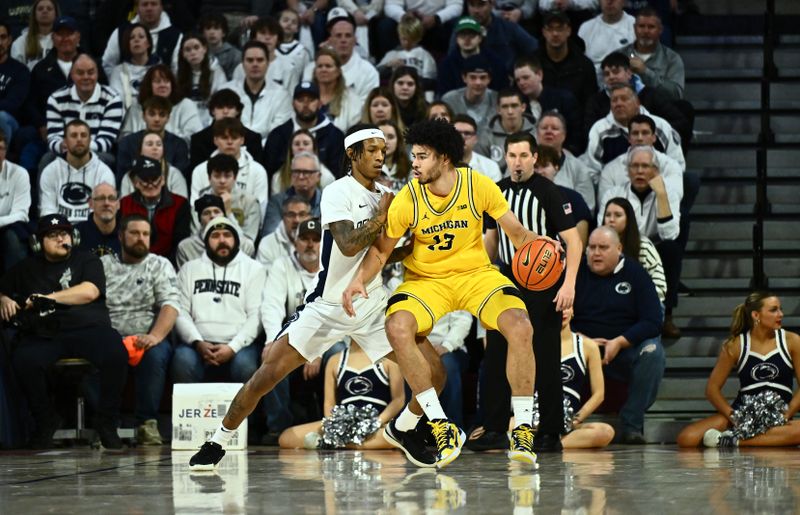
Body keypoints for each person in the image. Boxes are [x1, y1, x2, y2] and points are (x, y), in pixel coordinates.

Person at [188, 124, 419, 471]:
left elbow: (382, 254)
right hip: (327, 305)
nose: (379, 156)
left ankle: (413, 430)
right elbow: (349, 243)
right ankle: (218, 440)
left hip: (369, 302)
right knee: (265, 376)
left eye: (382, 150)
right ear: (352, 155)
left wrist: (412, 246)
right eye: (371, 150)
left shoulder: (388, 196)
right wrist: (382, 216)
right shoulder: (337, 192)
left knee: (426, 369)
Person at [343, 120, 548, 467]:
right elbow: (381, 250)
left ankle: (523, 428)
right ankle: (439, 424)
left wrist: (543, 248)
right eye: (413, 156)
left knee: (520, 326)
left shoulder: (477, 185)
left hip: (476, 276)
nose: (415, 164)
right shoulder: (408, 196)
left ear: (444, 158)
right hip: (427, 281)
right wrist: (358, 280)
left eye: (422, 157)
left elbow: (516, 233)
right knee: (397, 327)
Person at [476, 133, 581, 454]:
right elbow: (490, 242)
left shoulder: (549, 192)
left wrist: (569, 285)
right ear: (505, 157)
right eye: (512, 155)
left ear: (535, 158)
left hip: (544, 282)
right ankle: (494, 428)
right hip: (506, 279)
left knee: (545, 357)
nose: (517, 162)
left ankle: (549, 432)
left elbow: (574, 242)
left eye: (524, 155)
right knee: (494, 355)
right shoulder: (496, 192)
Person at [0, 214, 128, 449]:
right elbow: (3, 287)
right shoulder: (26, 268)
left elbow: (89, 291)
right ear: (38, 243)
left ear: (73, 237)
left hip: (88, 329)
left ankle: (106, 420)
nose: (61, 239)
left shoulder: (87, 260)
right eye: (53, 235)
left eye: (65, 234)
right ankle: (45, 419)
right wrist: (4, 299)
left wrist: (47, 298)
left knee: (116, 353)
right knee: (23, 359)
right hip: (46, 334)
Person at [172, 216, 267, 435]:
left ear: (236, 239)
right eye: (215, 236)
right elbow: (180, 312)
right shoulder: (189, 269)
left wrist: (232, 347)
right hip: (197, 344)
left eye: (227, 235)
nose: (222, 241)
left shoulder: (254, 269)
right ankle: (191, 430)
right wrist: (197, 342)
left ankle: (245, 431)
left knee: (246, 367)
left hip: (239, 345)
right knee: (182, 361)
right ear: (206, 241)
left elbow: (256, 316)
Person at [571, 226, 664, 444]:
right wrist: (580, 340)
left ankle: (631, 425)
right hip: (581, 348)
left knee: (653, 352)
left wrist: (621, 342)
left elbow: (653, 321)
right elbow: (557, 316)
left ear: (619, 248)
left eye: (603, 248)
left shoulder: (636, 274)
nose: (596, 253)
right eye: (591, 247)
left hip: (623, 349)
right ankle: (564, 421)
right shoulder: (575, 273)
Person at [676, 293, 800, 448]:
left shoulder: (792, 341)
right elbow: (712, 389)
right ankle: (766, 438)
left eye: (780, 309)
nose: (780, 314)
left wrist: (787, 413)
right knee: (687, 438)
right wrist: (734, 416)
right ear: (756, 315)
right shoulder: (735, 345)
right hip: (743, 412)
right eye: (774, 310)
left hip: (777, 414)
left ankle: (733, 441)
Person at [101, 214, 179, 445]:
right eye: (134, 233)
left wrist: (154, 336)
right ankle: (105, 423)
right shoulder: (103, 265)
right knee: (98, 353)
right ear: (121, 235)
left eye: (145, 234)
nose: (140, 239)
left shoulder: (159, 264)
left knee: (155, 355)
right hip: (109, 335)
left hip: (146, 335)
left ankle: (147, 423)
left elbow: (171, 305)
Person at [597, 145, 683, 338]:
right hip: (619, 245)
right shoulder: (613, 194)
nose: (640, 171)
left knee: (671, 249)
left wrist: (661, 195)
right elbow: (603, 231)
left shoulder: (668, 192)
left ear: (656, 170)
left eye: (645, 166)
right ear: (627, 171)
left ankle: (666, 315)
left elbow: (669, 234)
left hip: (651, 247)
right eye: (634, 166)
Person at [278, 340, 405, 450]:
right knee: (286, 437)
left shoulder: (389, 359)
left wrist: (376, 422)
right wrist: (334, 426)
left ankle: (330, 443)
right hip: (342, 425)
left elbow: (399, 400)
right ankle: (349, 442)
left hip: (376, 425)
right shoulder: (335, 360)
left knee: (395, 437)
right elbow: (329, 403)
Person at [583, 83, 684, 179]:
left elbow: (677, 164)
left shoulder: (660, 126)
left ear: (637, 103)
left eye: (624, 99)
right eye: (614, 100)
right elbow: (592, 171)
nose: (618, 103)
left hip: (658, 184)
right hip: (614, 188)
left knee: (689, 180)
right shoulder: (599, 129)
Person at [550, 307, 616, 449]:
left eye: (566, 307)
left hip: (568, 422)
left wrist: (574, 420)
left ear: (573, 309)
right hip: (535, 420)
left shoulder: (588, 346)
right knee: (493, 428)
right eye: (557, 308)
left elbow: (599, 394)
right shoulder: (532, 342)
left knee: (605, 431)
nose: (563, 312)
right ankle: (537, 440)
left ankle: (552, 445)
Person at [45, 53, 122, 169]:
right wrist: (64, 146)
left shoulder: (112, 99)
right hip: (65, 152)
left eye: (91, 72)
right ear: (72, 75)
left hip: (97, 152)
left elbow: (106, 142)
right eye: (80, 73)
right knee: (47, 159)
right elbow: (53, 137)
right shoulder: (55, 99)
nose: (86, 77)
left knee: (108, 159)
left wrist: (78, 147)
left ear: (97, 74)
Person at [189, 117, 269, 219]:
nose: (230, 142)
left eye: (234, 137)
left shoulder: (258, 171)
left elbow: (260, 211)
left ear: (242, 140)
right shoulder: (200, 171)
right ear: (215, 140)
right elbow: (195, 210)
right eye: (224, 137)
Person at [39, 120, 116, 223]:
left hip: (92, 230)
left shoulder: (104, 172)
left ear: (90, 140)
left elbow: (104, 211)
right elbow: (47, 211)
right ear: (65, 141)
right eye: (74, 135)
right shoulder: (51, 171)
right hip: (60, 231)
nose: (79, 139)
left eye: (83, 135)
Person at [264, 81, 344, 179]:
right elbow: (269, 172)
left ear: (319, 103)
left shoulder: (335, 136)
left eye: (311, 100)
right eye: (301, 100)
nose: (306, 104)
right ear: (293, 104)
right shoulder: (278, 135)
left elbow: (339, 174)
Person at [119, 156, 190, 260]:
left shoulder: (180, 204)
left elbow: (180, 243)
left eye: (155, 179)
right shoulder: (124, 204)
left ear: (162, 180)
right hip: (132, 261)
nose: (150, 185)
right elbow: (121, 239)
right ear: (136, 183)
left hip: (168, 263)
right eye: (145, 180)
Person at [221, 40, 293, 140]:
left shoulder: (282, 95)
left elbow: (278, 131)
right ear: (242, 64)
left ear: (268, 63)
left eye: (260, 60)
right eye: (250, 60)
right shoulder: (226, 91)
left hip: (268, 151)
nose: (255, 64)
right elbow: (220, 125)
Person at [602, 197, 667, 305]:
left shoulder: (643, 246)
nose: (611, 219)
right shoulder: (595, 246)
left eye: (618, 215)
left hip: (639, 304)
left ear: (628, 219)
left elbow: (660, 286)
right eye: (608, 215)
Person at [511, 56, 583, 154]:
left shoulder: (563, 99)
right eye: (518, 80)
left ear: (539, 75)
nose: (521, 83)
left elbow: (577, 135)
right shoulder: (519, 106)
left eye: (526, 77)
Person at [535, 10, 597, 118]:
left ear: (568, 31)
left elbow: (590, 104)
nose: (555, 33)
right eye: (550, 29)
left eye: (560, 28)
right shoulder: (533, 63)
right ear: (544, 32)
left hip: (576, 123)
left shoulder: (584, 65)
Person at [120, 64, 202, 144]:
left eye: (166, 81)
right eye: (157, 81)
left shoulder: (185, 105)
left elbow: (195, 136)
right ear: (149, 85)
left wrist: (161, 143)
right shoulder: (137, 106)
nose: (163, 85)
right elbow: (125, 137)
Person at [116, 95, 191, 183]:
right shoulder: (127, 143)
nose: (157, 119)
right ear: (144, 116)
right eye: (152, 114)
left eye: (162, 115)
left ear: (168, 118)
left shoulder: (179, 144)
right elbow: (122, 178)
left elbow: (180, 178)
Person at [616, 7, 685, 100]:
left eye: (651, 27)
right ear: (634, 28)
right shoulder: (619, 55)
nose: (646, 31)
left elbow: (676, 94)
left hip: (660, 111)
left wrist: (645, 72)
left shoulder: (672, 58)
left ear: (660, 30)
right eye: (641, 26)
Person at [101, 0, 182, 79]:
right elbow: (108, 64)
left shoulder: (175, 36)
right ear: (137, 8)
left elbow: (177, 70)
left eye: (154, 4)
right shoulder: (120, 32)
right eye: (145, 4)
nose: (149, 8)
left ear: (161, 7)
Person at [532, 145, 592, 247]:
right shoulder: (517, 197)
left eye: (545, 165)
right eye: (536, 167)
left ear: (556, 168)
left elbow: (579, 245)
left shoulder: (573, 199)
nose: (540, 172)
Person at [189, 88, 263, 171]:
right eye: (220, 107)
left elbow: (257, 170)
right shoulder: (198, 139)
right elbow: (195, 172)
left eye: (230, 107)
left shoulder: (253, 139)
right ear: (213, 110)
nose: (225, 111)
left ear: (237, 111)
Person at [192, 153, 261, 243]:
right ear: (209, 178)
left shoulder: (250, 202)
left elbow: (248, 244)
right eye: (217, 176)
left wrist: (228, 212)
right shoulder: (200, 202)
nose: (222, 181)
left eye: (227, 176)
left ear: (235, 177)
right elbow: (195, 239)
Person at [535, 112, 596, 213]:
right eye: (544, 128)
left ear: (564, 135)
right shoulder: (521, 163)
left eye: (554, 128)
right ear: (536, 133)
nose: (549, 131)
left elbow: (587, 208)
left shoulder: (579, 168)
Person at [458, 0, 538, 73]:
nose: (476, 10)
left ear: (492, 4)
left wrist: (519, 72)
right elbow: (453, 61)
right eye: (472, 5)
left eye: (481, 5)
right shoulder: (460, 31)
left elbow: (535, 49)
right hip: (472, 82)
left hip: (504, 83)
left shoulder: (509, 28)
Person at [437, 15, 508, 98]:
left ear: (480, 38)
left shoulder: (496, 63)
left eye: (471, 35)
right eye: (463, 35)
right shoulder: (446, 65)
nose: (467, 39)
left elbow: (503, 94)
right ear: (456, 39)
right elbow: (445, 96)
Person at [177, 195, 255, 268]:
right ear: (200, 220)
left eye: (216, 211)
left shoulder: (245, 245)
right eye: (206, 213)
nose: (212, 216)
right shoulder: (186, 247)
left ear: (224, 216)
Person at [262, 151, 322, 235]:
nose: (301, 177)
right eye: (296, 172)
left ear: (318, 176)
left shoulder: (328, 202)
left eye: (306, 172)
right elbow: (270, 234)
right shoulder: (277, 202)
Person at [476, 90, 537, 172]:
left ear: (523, 107)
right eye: (505, 106)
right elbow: (479, 165)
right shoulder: (486, 135)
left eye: (514, 106)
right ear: (498, 109)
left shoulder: (536, 132)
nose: (510, 111)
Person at [176, 32, 226, 127]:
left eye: (196, 47)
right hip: (185, 121)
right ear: (183, 54)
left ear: (204, 49)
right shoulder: (178, 75)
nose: (193, 53)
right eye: (188, 50)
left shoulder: (216, 72)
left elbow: (220, 101)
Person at [377, 14, 437, 93]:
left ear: (418, 38)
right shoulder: (392, 54)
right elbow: (376, 74)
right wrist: (388, 66)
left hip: (418, 93)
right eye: (404, 39)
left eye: (411, 39)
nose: (407, 42)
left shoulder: (425, 55)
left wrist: (408, 74)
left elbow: (430, 82)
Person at [108, 23, 160, 112]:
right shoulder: (118, 72)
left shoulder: (160, 70)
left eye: (141, 37)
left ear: (148, 43)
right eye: (132, 38)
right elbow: (116, 100)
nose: (136, 40)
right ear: (127, 44)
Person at [120, 130, 188, 198]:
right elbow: (124, 205)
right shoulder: (129, 176)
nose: (155, 148)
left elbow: (182, 204)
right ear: (140, 150)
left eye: (159, 144)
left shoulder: (174, 174)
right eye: (150, 144)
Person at [577, 0, 635, 79]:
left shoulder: (635, 25)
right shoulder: (586, 28)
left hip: (627, 82)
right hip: (594, 83)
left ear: (624, 1)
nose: (610, 1)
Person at [271, 128, 336, 193]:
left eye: (306, 143)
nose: (301, 147)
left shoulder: (326, 176)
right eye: (297, 144)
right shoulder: (278, 177)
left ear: (314, 149)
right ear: (291, 150)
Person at [441, 55, 498, 129]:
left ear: (489, 79)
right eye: (473, 77)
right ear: (464, 78)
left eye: (483, 77)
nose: (478, 82)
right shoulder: (450, 100)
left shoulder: (497, 100)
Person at [312, 47, 361, 133]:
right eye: (320, 66)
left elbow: (354, 130)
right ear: (315, 72)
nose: (324, 69)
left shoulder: (352, 99)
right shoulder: (306, 97)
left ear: (338, 71)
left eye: (328, 66)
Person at [0, 132, 30, 271]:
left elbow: (21, 215)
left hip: (7, 229)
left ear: (6, 151)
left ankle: (14, 290)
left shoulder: (19, 173)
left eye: (0, 148)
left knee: (14, 237)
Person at [256, 196, 311, 268]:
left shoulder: (319, 242)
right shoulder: (268, 243)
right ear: (283, 218)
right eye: (291, 215)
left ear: (310, 217)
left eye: (302, 214)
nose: (297, 220)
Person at [0, 21, 31, 146]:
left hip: (9, 120)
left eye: (2, 37)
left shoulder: (20, 70)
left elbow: (13, 103)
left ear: (9, 40)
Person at [76, 183, 121, 258]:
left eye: (111, 198)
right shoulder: (76, 233)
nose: (106, 203)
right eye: (101, 198)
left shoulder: (128, 233)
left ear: (118, 204)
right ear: (90, 203)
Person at [10, 0, 58, 70]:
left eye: (49, 9)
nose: (45, 11)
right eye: (40, 9)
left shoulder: (64, 40)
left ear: (56, 14)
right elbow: (16, 72)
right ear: (34, 14)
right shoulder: (20, 42)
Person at [453, 114, 501, 183]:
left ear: (475, 138)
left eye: (467, 133)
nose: (462, 137)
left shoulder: (490, 167)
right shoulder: (439, 165)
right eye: (457, 133)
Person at [199, 13, 241, 80]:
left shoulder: (235, 55)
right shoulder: (199, 53)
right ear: (203, 33)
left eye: (216, 28)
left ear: (223, 33)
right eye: (208, 28)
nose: (212, 32)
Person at [378, 121, 411, 192]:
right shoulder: (365, 168)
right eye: (381, 137)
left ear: (398, 142)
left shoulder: (410, 168)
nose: (386, 141)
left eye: (391, 137)